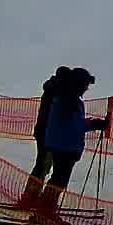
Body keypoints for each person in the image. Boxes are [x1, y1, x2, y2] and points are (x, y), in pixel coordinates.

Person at [33, 67, 108, 225]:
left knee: (57, 179)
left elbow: (73, 123)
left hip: (61, 145)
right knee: (59, 180)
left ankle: (44, 210)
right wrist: (94, 124)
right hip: (65, 147)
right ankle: (45, 212)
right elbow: (73, 126)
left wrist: (92, 124)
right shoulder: (69, 99)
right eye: (86, 84)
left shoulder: (66, 97)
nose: (87, 88)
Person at [15, 66, 73, 207]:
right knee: (43, 165)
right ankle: (29, 197)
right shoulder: (55, 91)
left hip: (46, 132)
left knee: (44, 165)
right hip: (46, 133)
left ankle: (32, 195)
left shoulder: (53, 90)